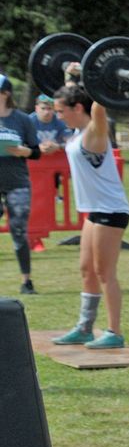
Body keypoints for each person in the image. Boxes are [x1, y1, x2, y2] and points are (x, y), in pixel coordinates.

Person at [53, 76, 129, 348]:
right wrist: (72, 78)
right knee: (86, 269)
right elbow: (77, 97)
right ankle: (85, 327)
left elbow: (98, 107)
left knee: (104, 272)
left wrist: (95, 76)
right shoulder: (76, 135)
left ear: (78, 108)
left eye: (62, 111)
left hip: (111, 211)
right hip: (93, 211)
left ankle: (114, 332)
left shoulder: (94, 133)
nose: (58, 116)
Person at [0, 76, 40, 294]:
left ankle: (27, 281)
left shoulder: (22, 120)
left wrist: (25, 151)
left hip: (17, 183)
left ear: (5, 94)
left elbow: (36, 152)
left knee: (18, 231)